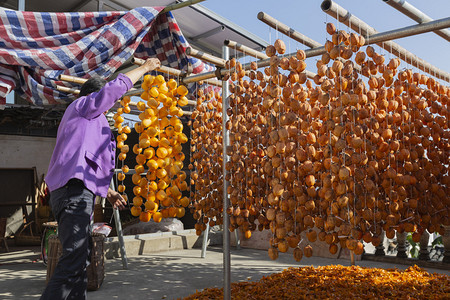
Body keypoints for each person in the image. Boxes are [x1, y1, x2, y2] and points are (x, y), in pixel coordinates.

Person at [41, 58, 161, 300]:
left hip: (75, 191)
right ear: (93, 95)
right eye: (106, 102)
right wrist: (145, 68)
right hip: (73, 192)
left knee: (80, 258)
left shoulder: (89, 122)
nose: (109, 107)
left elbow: (88, 162)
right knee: (74, 258)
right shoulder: (83, 106)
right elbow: (113, 90)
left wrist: (108, 192)